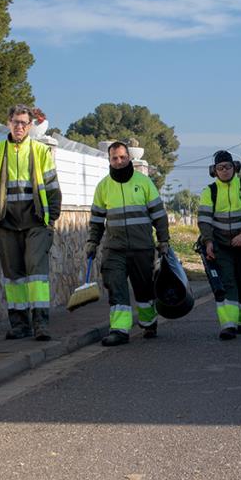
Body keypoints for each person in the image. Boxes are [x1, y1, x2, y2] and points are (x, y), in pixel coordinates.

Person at [0, 105, 62, 341]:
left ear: (30, 126)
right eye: (16, 122)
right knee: (13, 275)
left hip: (36, 221)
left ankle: (41, 324)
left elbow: (53, 188)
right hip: (6, 223)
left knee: (36, 272)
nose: (19, 127)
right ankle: (19, 325)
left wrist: (51, 220)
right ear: (8, 123)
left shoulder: (40, 151)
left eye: (24, 123)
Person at [85, 142, 170, 346]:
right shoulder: (103, 186)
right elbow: (97, 220)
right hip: (114, 249)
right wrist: (92, 242)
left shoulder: (144, 182)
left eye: (122, 157)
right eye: (115, 158)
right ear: (109, 160)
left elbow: (159, 215)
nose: (119, 161)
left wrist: (163, 240)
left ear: (129, 158)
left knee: (144, 289)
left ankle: (149, 322)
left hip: (142, 247)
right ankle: (120, 330)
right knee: (116, 287)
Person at [197, 150, 241, 340]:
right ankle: (228, 325)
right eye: (220, 168)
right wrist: (208, 241)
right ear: (214, 171)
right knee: (227, 283)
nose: (224, 171)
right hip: (221, 246)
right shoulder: (209, 191)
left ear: (235, 168)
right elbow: (204, 220)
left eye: (228, 167)